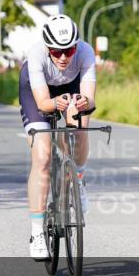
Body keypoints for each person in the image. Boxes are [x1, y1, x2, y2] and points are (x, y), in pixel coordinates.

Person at [19, 14, 96, 260]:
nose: (63, 57)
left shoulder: (85, 52)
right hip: (38, 92)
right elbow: (43, 102)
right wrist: (55, 103)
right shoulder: (36, 54)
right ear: (47, 47)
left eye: (69, 50)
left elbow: (90, 98)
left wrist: (83, 102)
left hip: (70, 88)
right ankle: (37, 233)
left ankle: (78, 178)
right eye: (56, 50)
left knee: (79, 132)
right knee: (42, 157)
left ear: (77, 45)